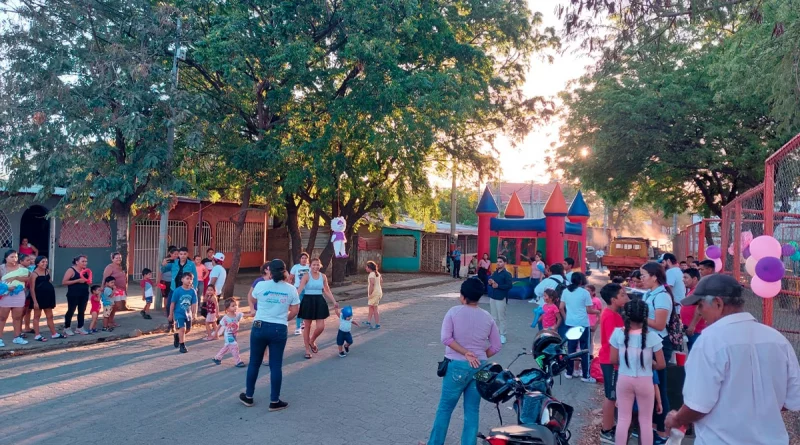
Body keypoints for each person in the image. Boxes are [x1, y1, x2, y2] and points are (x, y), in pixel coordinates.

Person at [666, 274, 800, 444]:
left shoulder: (710, 341)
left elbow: (697, 406)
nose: (699, 312)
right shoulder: (777, 339)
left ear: (718, 303)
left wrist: (677, 419)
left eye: (700, 306)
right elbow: (791, 400)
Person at [424, 278, 502, 445]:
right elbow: (496, 346)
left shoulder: (453, 312)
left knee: (445, 409)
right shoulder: (487, 317)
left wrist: (467, 353)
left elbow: (446, 339)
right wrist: (479, 356)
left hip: (456, 366)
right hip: (480, 368)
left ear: (463, 296)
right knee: (472, 411)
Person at [241, 259, 300, 411]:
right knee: (275, 365)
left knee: (254, 362)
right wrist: (282, 318)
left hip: (259, 326)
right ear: (285, 271)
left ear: (269, 271)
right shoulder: (291, 289)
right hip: (279, 328)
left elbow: (253, 299)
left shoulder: (261, 285)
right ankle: (274, 401)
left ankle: (248, 396)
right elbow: (294, 310)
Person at [611, 299, 667, 445]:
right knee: (646, 422)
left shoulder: (618, 334)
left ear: (626, 315)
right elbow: (661, 364)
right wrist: (649, 364)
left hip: (624, 379)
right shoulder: (653, 337)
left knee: (623, 420)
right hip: (645, 381)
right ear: (645, 316)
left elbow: (613, 359)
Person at [639, 262, 676, 441]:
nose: (641, 279)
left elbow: (660, 325)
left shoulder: (661, 296)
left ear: (654, 276)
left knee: (659, 387)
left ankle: (662, 431)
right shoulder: (650, 293)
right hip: (649, 343)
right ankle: (653, 427)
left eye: (644, 275)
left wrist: (639, 317)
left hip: (659, 345)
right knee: (650, 388)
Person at [597, 283, 630, 443]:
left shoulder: (614, 314)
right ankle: (606, 430)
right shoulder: (610, 315)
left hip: (614, 360)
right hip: (611, 360)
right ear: (613, 299)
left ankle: (611, 425)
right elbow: (613, 342)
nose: (626, 297)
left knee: (614, 395)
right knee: (611, 396)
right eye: (623, 295)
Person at [297, 258, 339, 359]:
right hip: (308, 301)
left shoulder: (323, 276)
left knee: (321, 327)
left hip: (319, 301)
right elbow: (299, 289)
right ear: (310, 266)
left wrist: (334, 301)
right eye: (313, 265)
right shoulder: (306, 276)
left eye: (317, 265)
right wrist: (293, 302)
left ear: (320, 266)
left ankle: (312, 340)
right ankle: (307, 350)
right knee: (307, 326)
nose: (316, 267)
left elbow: (327, 290)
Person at [560, 272, 599, 382]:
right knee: (584, 349)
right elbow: (588, 310)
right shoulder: (584, 293)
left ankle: (569, 372)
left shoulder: (566, 291)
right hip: (582, 324)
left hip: (570, 323)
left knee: (571, 348)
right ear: (581, 281)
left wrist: (566, 317)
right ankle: (585, 375)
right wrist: (598, 311)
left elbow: (561, 307)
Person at [0, 250, 31, 346]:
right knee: (2, 318)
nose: (14, 259)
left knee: (17, 317)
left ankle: (17, 337)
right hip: (5, 295)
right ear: (6, 258)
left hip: (19, 295)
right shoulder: (1, 268)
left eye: (16, 257)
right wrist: (7, 287)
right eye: (12, 257)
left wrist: (16, 277)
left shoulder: (21, 268)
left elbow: (28, 278)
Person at [29, 256, 61, 341]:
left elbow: (49, 281)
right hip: (39, 298)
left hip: (48, 297)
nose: (45, 263)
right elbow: (32, 289)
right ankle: (37, 335)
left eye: (46, 262)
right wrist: (35, 302)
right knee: (37, 316)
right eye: (43, 262)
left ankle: (54, 333)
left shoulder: (47, 271)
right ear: (37, 263)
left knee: (50, 316)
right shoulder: (34, 274)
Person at [61, 255, 90, 336]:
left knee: (82, 311)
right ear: (77, 262)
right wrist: (77, 280)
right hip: (73, 294)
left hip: (84, 293)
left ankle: (80, 327)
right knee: (71, 310)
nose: (85, 263)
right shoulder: (71, 270)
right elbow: (64, 282)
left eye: (86, 261)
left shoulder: (86, 270)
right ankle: (67, 328)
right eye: (83, 261)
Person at [169, 272, 198, 353]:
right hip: (178, 313)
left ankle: (177, 336)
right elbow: (172, 303)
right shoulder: (177, 291)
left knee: (188, 330)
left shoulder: (193, 291)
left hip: (188, 314)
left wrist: (194, 313)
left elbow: (194, 303)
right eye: (187, 278)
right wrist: (171, 314)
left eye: (191, 279)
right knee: (182, 329)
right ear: (182, 279)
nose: (189, 281)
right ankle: (182, 345)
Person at [487, 255, 513, 345]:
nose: (498, 263)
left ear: (505, 263)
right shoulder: (495, 273)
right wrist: (490, 282)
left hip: (501, 297)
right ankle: (494, 333)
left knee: (501, 317)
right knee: (493, 317)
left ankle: (502, 334)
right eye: (497, 261)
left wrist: (498, 286)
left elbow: (509, 286)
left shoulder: (507, 274)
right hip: (493, 297)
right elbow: (493, 282)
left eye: (500, 262)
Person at [213, 298, 245, 367]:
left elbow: (247, 315)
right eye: (233, 306)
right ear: (227, 308)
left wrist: (253, 313)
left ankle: (217, 358)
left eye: (236, 305)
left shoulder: (237, 315)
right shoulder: (225, 318)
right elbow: (220, 325)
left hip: (234, 335)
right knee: (234, 346)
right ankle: (238, 362)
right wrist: (216, 333)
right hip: (228, 335)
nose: (235, 307)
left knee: (227, 346)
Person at [681, 268, 706, 352]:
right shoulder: (692, 290)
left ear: (695, 278)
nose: (683, 280)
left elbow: (700, 308)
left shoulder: (698, 291)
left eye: (686, 277)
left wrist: (692, 325)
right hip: (691, 330)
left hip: (695, 331)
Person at [289, 252, 310, 335]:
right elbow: (290, 278)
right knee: (298, 308)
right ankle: (298, 327)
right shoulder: (296, 267)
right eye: (302, 258)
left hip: (308, 290)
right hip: (298, 289)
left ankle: (302, 322)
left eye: (305, 258)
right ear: (300, 259)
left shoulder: (310, 267)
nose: (304, 260)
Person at [160, 246, 178, 326]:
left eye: (177, 254)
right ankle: (166, 311)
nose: (176, 255)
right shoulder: (166, 260)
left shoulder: (178, 261)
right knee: (166, 296)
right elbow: (161, 270)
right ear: (170, 253)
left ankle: (172, 313)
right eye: (174, 254)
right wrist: (159, 280)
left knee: (173, 298)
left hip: (173, 282)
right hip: (164, 280)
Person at [20, 254, 35, 335]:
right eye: (27, 260)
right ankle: (19, 331)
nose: (30, 262)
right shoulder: (20, 270)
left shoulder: (29, 269)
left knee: (28, 310)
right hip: (23, 293)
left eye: (30, 260)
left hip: (28, 292)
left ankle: (27, 327)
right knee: (21, 312)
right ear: (21, 261)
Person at [365, 261, 383, 329]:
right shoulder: (377, 273)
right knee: (371, 307)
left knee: (374, 308)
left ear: (369, 268)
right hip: (378, 292)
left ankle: (377, 324)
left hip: (374, 293)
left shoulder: (371, 274)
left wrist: (370, 294)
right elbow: (381, 281)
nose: (365, 268)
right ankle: (368, 321)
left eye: (366, 267)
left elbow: (372, 284)